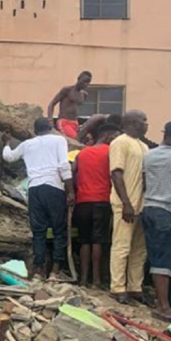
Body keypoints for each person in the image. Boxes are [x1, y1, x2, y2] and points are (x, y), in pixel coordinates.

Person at [2, 118, 74, 279]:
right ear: (50, 127)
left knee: (38, 231)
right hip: (53, 187)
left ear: (35, 130)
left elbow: (9, 157)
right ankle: (55, 270)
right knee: (59, 230)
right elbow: (64, 165)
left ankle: (39, 270)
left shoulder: (27, 144)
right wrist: (70, 191)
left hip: (34, 189)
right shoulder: (58, 140)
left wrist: (6, 142)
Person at [141, 120, 171, 320]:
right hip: (169, 212)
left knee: (154, 256)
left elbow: (144, 182)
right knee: (165, 261)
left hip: (149, 208)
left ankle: (159, 300)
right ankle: (163, 306)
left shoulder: (149, 155)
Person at [109, 110, 151, 303]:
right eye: (144, 120)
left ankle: (135, 287)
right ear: (133, 122)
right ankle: (117, 287)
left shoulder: (144, 146)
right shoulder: (120, 142)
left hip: (142, 206)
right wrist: (126, 203)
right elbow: (116, 174)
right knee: (122, 247)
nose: (146, 124)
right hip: (125, 205)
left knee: (139, 250)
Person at [72, 123, 120, 288]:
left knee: (85, 241)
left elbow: (71, 171)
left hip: (82, 202)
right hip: (102, 200)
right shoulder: (111, 152)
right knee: (98, 240)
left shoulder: (82, 153)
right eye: (115, 136)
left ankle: (84, 279)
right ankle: (97, 280)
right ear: (107, 136)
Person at [47, 71, 92, 140]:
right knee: (74, 139)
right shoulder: (67, 90)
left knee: (86, 139)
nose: (85, 84)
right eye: (84, 81)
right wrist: (50, 120)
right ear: (78, 79)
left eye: (88, 82)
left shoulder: (84, 95)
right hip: (64, 122)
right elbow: (52, 104)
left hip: (75, 123)